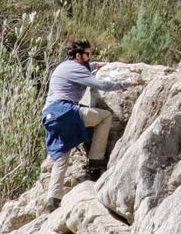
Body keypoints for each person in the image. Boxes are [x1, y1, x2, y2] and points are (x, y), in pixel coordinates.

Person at [42, 40, 134, 197]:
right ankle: (96, 159)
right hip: (64, 111)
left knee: (62, 155)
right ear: (78, 56)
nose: (90, 57)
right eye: (87, 54)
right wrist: (127, 83)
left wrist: (95, 65)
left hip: (49, 116)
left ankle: (53, 198)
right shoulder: (76, 68)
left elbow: (82, 71)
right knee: (105, 117)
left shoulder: (64, 66)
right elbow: (103, 85)